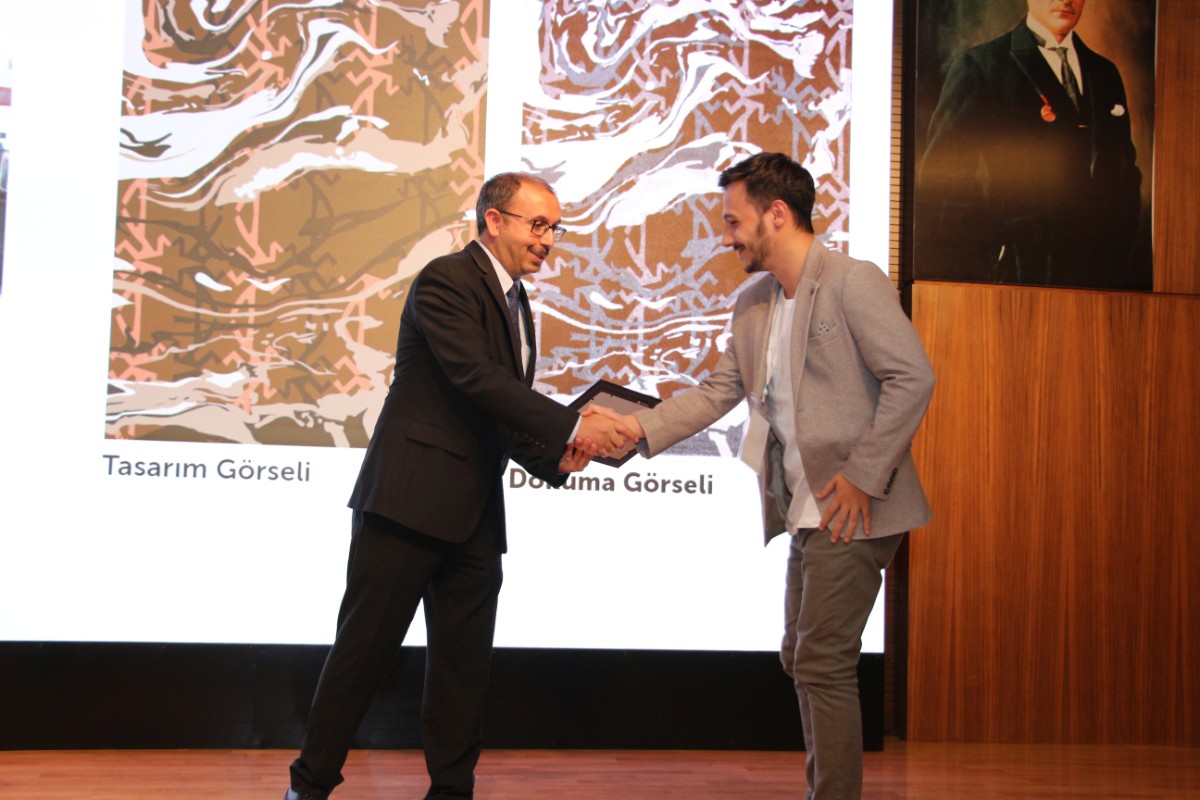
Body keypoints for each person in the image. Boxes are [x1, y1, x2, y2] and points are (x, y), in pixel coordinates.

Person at [284, 172, 638, 800]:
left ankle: (451, 793)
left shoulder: (518, 302)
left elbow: (496, 410)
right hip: (407, 504)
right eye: (537, 224)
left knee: (463, 670)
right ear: (493, 220)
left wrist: (555, 458)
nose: (547, 239)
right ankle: (307, 789)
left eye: (554, 228)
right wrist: (571, 424)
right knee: (363, 656)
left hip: (476, 516)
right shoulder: (446, 279)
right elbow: (475, 378)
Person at [597, 152, 934, 800]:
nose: (726, 235)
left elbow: (912, 377)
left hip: (854, 507)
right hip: (802, 506)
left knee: (822, 661)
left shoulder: (852, 281)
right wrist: (634, 428)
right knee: (799, 657)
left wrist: (863, 475)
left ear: (776, 214)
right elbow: (717, 392)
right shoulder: (753, 302)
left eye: (734, 220)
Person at [918, 0, 1144, 289]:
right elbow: (946, 177)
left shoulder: (1105, 72)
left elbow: (1124, 174)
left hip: (1097, 279)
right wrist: (995, 252)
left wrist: (1115, 254)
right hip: (1018, 275)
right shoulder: (981, 65)